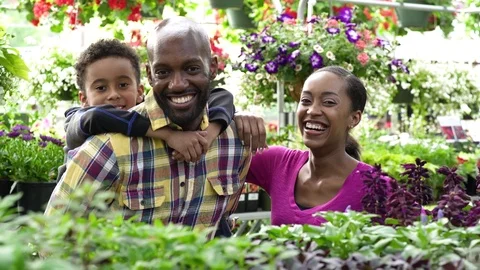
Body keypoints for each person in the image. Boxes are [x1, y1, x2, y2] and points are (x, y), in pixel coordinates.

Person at [45, 17, 251, 235]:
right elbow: (54, 236)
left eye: (191, 68)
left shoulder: (235, 140)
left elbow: (223, 220)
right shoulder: (110, 145)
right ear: (150, 75)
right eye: (163, 72)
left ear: (213, 67)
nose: (178, 84)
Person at [56, 39, 238, 184]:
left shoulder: (147, 116)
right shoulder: (76, 120)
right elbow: (98, 116)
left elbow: (222, 97)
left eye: (123, 85)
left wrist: (208, 135)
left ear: (140, 92)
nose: (113, 95)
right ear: (84, 100)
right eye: (101, 88)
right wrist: (170, 135)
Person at [242, 66, 375, 226]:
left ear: (354, 118)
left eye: (328, 102)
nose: (312, 110)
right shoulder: (278, 163)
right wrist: (231, 118)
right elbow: (213, 156)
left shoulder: (375, 186)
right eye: (306, 101)